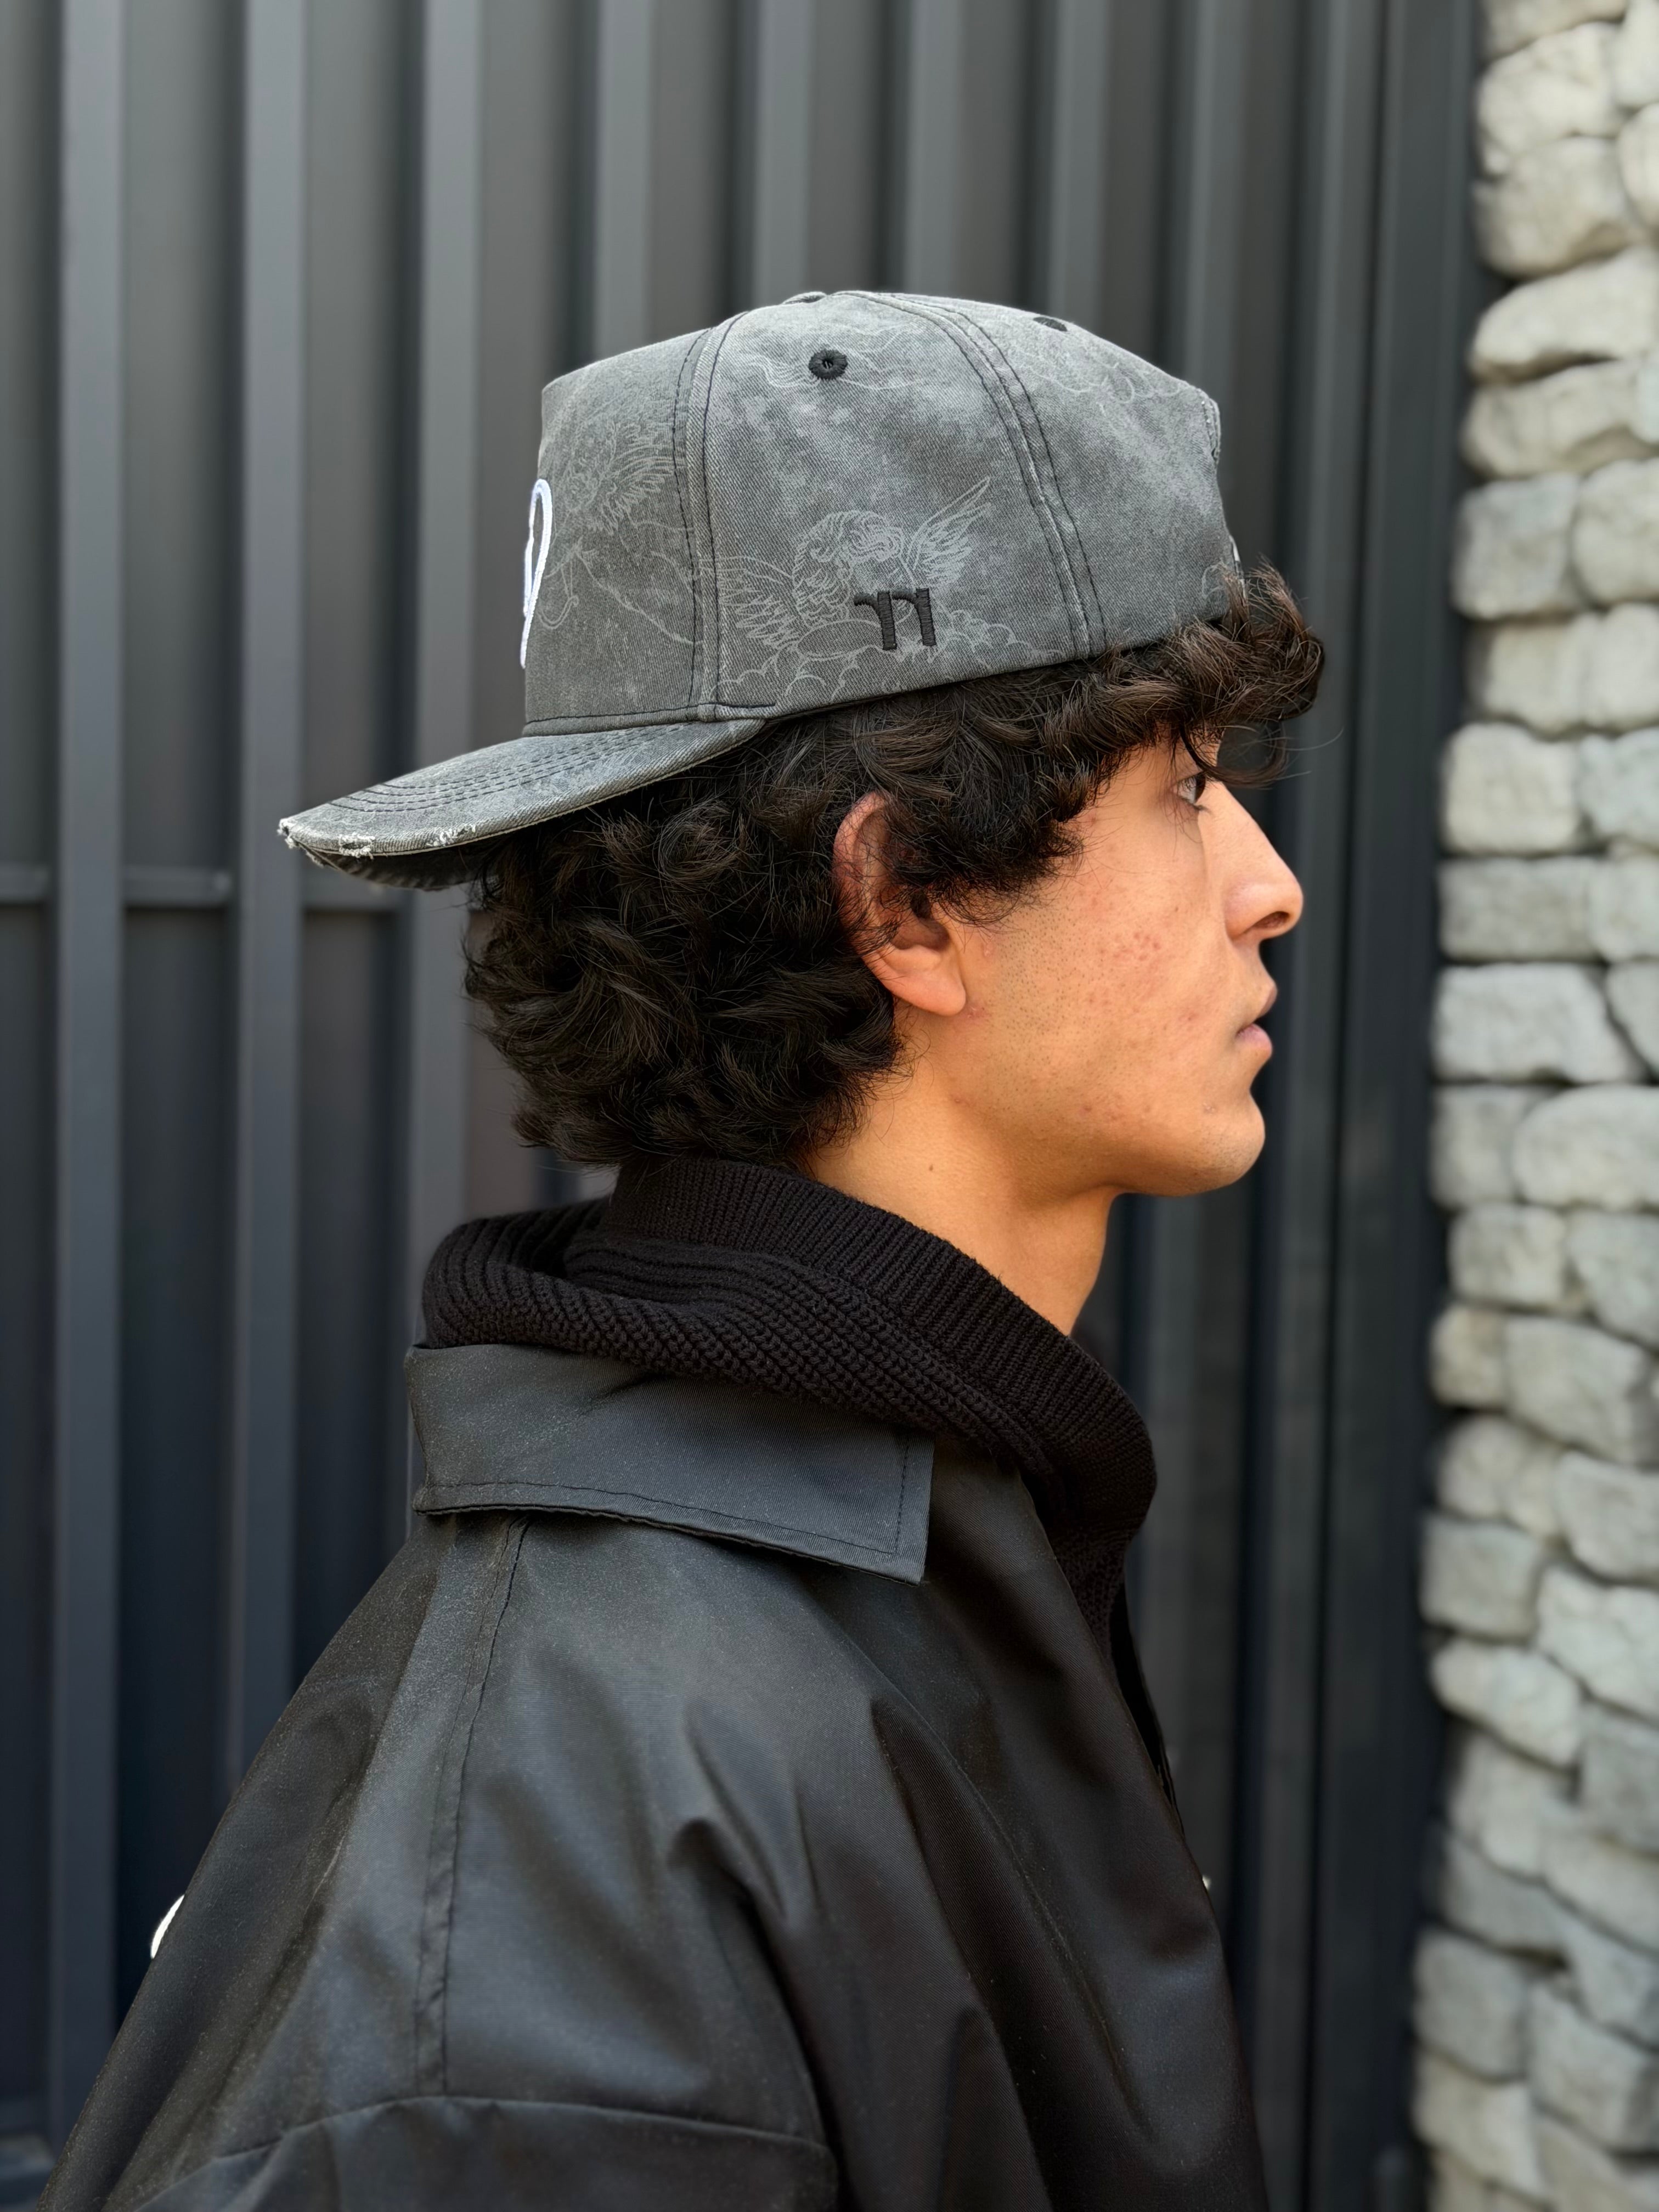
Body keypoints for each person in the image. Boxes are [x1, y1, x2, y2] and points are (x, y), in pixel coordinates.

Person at [44, 291, 1318, 2211]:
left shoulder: (905, 1538)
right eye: (1186, 789)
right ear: (908, 902)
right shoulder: (579, 1919)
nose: (1269, 887)